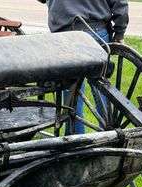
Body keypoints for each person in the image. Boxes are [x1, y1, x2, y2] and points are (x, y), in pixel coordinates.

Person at [37, 0, 129, 134]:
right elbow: (120, 3)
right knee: (101, 87)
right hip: (96, 30)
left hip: (65, 32)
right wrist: (119, 32)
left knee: (71, 90)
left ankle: (76, 140)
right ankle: (108, 135)